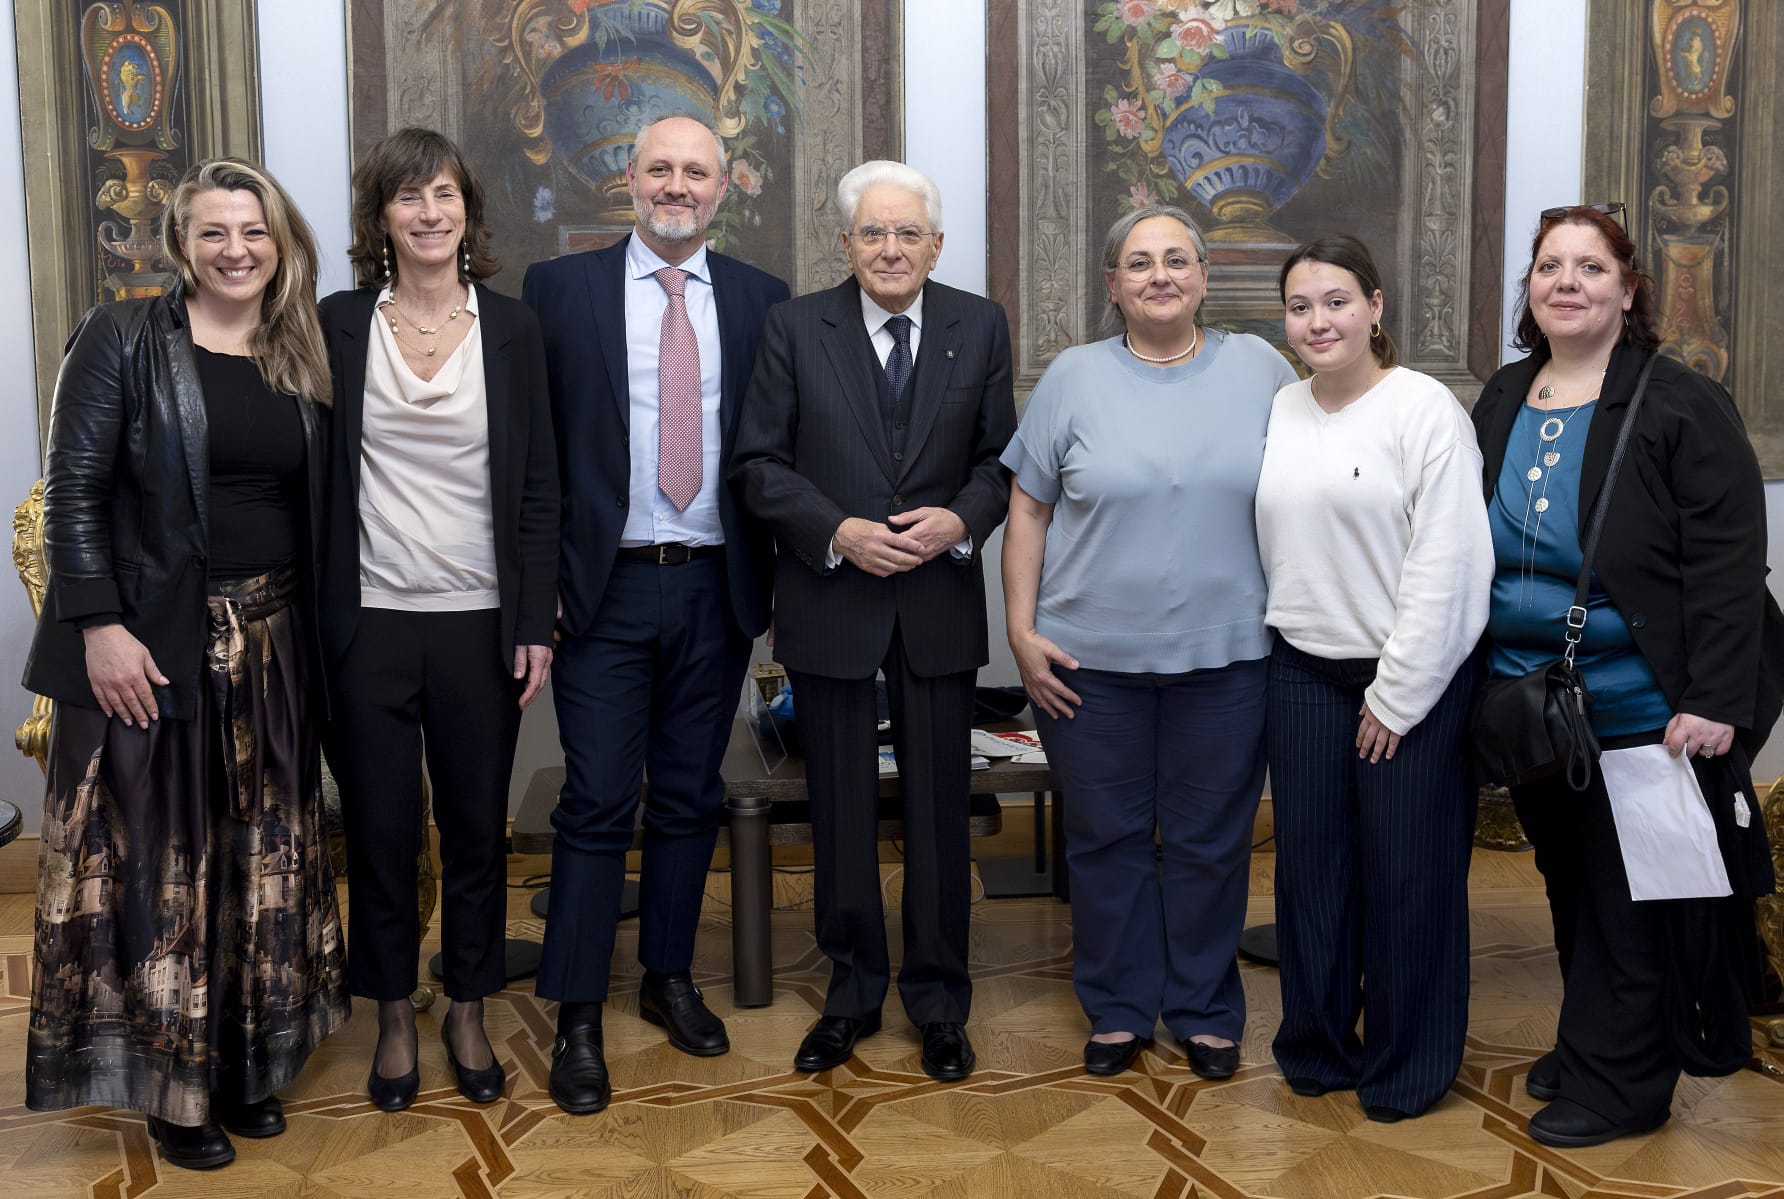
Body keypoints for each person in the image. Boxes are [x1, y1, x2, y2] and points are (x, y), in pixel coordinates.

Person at [22, 158, 349, 1169]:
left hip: (275, 642)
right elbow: (71, 488)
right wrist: (98, 625)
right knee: (162, 871)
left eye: (253, 231)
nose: (235, 250)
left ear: (279, 243)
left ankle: (244, 1061)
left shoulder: (301, 347)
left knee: (258, 859)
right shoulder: (120, 336)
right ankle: (173, 1086)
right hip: (151, 646)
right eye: (213, 232)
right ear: (179, 244)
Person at [1474, 203, 1779, 1147]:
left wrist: (1715, 700)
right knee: (1571, 886)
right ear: (1530, 287)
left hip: (1645, 709)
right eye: (1549, 266)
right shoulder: (1506, 393)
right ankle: (1593, 1044)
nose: (1567, 282)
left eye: (1591, 267)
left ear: (1629, 289)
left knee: (1634, 901)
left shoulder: (1680, 402)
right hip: (1534, 708)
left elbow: (1731, 566)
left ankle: (1626, 1086)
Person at [522, 114, 789, 1115]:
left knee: (687, 796)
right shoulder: (561, 290)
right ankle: (577, 1009)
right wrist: (539, 581)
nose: (678, 186)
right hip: (603, 589)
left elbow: (776, 450)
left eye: (696, 172)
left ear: (724, 187)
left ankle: (667, 975)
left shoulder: (762, 300)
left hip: (717, 584)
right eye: (660, 169)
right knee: (596, 800)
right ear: (628, 181)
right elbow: (533, 448)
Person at [732, 160, 1016, 1082]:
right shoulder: (793, 327)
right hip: (831, 603)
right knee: (841, 813)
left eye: (907, 233)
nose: (890, 248)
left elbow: (999, 461)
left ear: (936, 244)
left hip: (937, 604)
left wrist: (960, 521)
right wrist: (838, 531)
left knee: (939, 815)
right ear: (846, 242)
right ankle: (852, 994)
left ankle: (939, 1001)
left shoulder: (980, 324)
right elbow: (759, 465)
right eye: (872, 232)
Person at [1000, 204, 1294, 1079]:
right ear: (1113, 284)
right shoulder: (1073, 377)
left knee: (1212, 843)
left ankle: (1204, 1010)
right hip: (1086, 667)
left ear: (1204, 276)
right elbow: (1028, 508)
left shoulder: (1262, 368)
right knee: (1105, 840)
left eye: (1175, 259)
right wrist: (1019, 631)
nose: (1159, 275)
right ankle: (1120, 1008)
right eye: (1139, 262)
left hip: (1229, 662)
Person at [317, 128, 559, 1112]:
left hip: (479, 623)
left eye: (445, 194)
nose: (428, 212)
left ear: (468, 210)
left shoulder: (513, 328)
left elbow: (538, 485)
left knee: (472, 831)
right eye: (407, 196)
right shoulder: (337, 324)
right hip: (366, 621)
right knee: (379, 832)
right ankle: (388, 1012)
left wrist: (534, 620)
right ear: (380, 217)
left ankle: (466, 1004)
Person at [1255, 235, 1493, 1120]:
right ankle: (1318, 1046)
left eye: (1337, 301)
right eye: (1300, 307)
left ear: (1376, 306)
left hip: (1409, 683)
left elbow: (1451, 563)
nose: (1318, 321)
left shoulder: (1423, 408)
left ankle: (1407, 1065)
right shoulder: (1284, 406)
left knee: (1407, 878)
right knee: (1310, 873)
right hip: (1301, 670)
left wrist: (1397, 695)